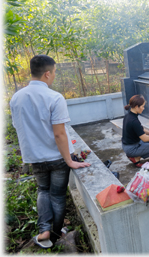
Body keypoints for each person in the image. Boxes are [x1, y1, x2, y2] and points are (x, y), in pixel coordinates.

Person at [10, 55, 91, 248]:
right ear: (47, 73)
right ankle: (54, 234)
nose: (54, 76)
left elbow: (18, 126)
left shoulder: (16, 98)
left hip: (34, 157)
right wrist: (69, 161)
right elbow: (60, 135)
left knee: (43, 190)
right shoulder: (54, 97)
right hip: (56, 158)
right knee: (57, 195)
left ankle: (43, 229)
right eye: (54, 72)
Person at [122, 95, 149, 167]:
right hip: (132, 148)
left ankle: (135, 156)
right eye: (143, 106)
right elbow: (145, 138)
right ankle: (136, 158)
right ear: (136, 106)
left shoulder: (129, 116)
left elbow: (140, 129)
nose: (143, 108)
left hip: (128, 145)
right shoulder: (134, 121)